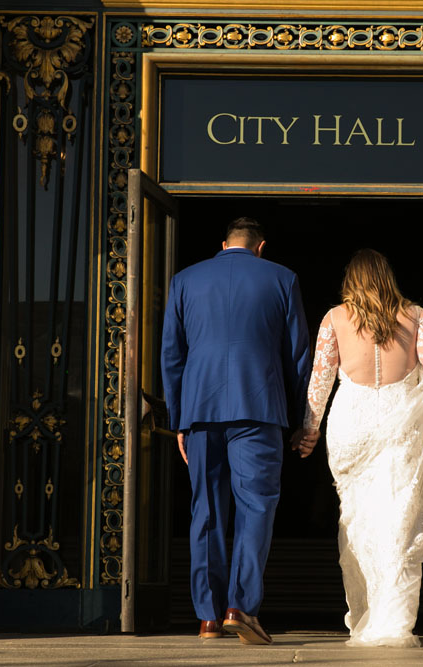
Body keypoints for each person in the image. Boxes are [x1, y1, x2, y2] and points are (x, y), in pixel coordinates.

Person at [160, 217, 311, 645]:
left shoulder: (185, 280)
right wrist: (301, 416)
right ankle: (240, 608)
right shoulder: (282, 277)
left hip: (200, 411)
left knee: (205, 511)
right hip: (260, 409)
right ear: (261, 247)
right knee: (256, 507)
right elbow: (299, 354)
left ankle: (207, 617)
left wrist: (178, 420)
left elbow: (171, 354)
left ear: (221, 244)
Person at [296, 248, 423, 648]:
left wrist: (309, 430)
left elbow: (320, 382)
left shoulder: (335, 319)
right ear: (388, 277)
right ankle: (395, 623)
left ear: (351, 280)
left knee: (359, 521)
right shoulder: (416, 316)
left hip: (352, 426)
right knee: (399, 524)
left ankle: (366, 615)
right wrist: (420, 412)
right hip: (402, 427)